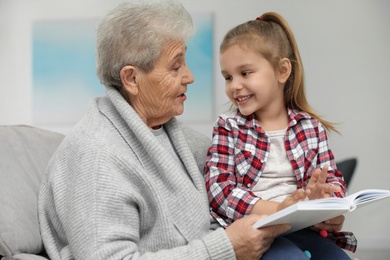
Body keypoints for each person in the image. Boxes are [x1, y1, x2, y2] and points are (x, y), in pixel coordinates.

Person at [38, 1, 292, 259]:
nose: (190, 76)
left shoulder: (194, 144)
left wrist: (307, 212)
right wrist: (225, 250)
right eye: (175, 66)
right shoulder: (95, 156)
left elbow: (243, 201)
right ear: (132, 79)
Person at [204, 12, 357, 259]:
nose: (234, 86)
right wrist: (279, 210)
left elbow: (334, 179)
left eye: (245, 73)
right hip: (257, 231)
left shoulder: (310, 127)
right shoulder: (228, 127)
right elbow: (219, 190)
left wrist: (325, 202)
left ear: (282, 71)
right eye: (228, 77)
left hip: (303, 228)